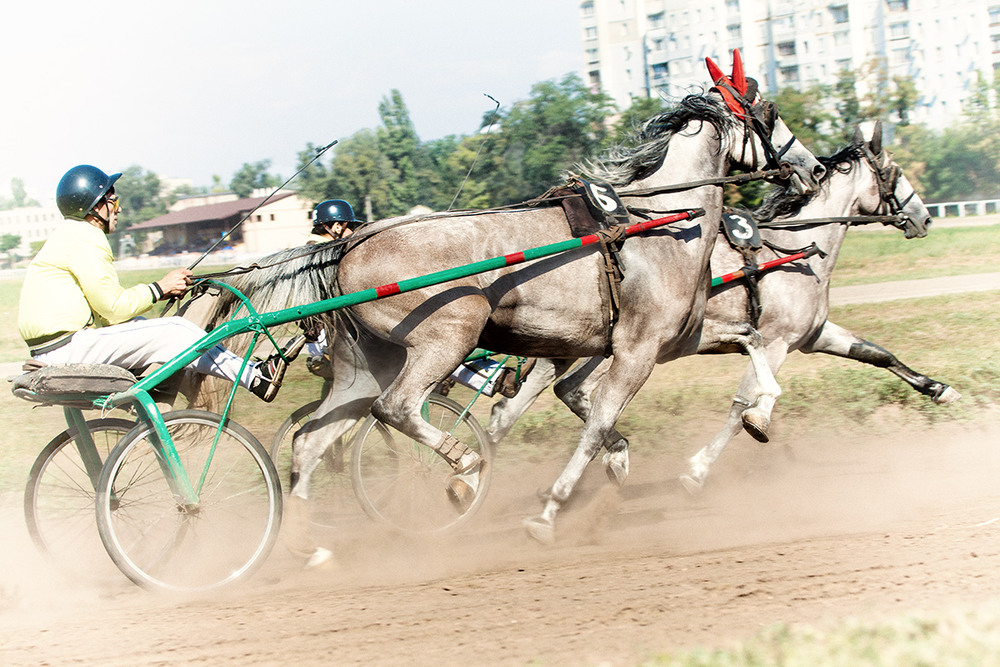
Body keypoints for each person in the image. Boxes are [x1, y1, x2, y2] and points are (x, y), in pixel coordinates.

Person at [17, 164, 300, 402]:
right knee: (173, 330)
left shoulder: (67, 235)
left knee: (145, 326)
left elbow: (105, 311)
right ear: (95, 207)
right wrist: (160, 288)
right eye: (113, 200)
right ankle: (255, 377)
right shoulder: (86, 238)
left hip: (57, 346)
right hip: (69, 348)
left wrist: (159, 292)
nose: (118, 208)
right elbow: (113, 308)